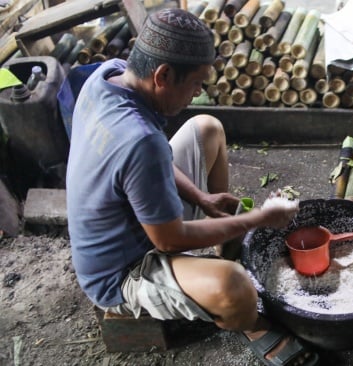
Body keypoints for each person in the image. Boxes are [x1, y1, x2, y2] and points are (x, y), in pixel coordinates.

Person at [66, 8, 318, 366]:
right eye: (196, 83)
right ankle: (251, 324)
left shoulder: (109, 74)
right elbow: (169, 240)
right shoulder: (140, 142)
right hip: (119, 271)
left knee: (208, 128)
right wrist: (259, 218)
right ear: (163, 75)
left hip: (130, 213)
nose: (199, 91)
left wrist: (201, 198)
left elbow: (150, 162)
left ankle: (219, 254)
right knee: (236, 288)